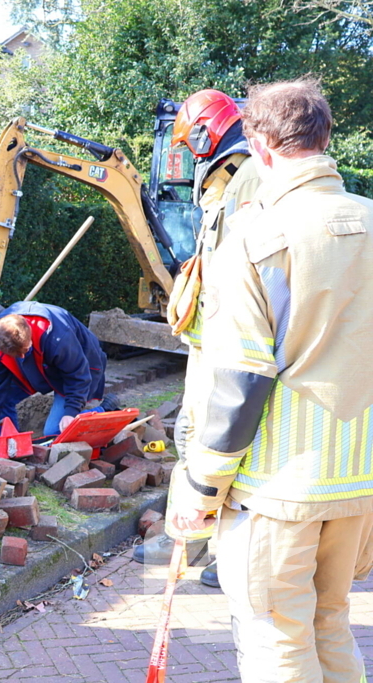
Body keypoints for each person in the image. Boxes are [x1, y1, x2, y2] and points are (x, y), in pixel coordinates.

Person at [170, 78, 373, 682]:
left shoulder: (255, 237)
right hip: (359, 480)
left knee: (275, 639)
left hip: (279, 486)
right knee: (330, 622)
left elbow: (240, 380)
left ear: (258, 145)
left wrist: (200, 489)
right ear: (326, 136)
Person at [134, 90, 262, 590]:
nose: (191, 156)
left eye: (191, 144)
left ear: (208, 132)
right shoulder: (226, 177)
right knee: (190, 435)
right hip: (209, 340)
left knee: (214, 442)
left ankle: (219, 554)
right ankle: (190, 540)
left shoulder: (245, 176)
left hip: (230, 341)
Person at [0, 301, 117, 436]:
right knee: (2, 401)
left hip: (80, 365)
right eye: (17, 355)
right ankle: (9, 445)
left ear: (30, 333)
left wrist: (70, 412)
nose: (22, 356)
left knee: (54, 431)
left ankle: (105, 410)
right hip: (39, 364)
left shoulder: (58, 338)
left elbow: (78, 376)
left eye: (25, 350)